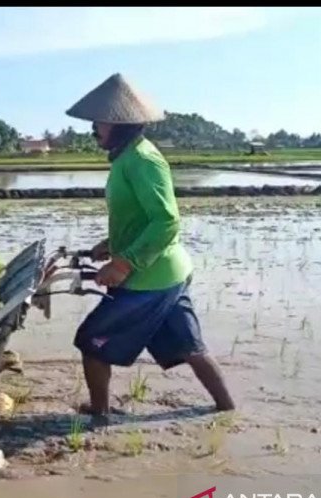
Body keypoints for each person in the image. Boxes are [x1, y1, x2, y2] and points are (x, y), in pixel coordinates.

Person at [65, 73, 235, 418]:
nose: (93, 129)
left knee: (92, 340)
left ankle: (99, 415)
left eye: (99, 122)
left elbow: (166, 220)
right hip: (169, 272)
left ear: (119, 123)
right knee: (189, 346)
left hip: (150, 277)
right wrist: (111, 244)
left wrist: (124, 263)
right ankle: (228, 411)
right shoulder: (127, 157)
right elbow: (142, 218)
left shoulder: (142, 160)